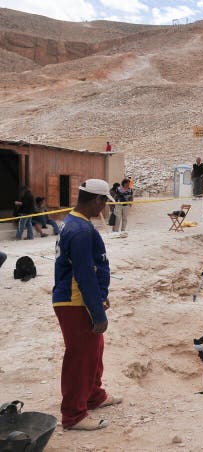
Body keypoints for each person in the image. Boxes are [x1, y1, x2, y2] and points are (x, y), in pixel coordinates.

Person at [53, 179, 121, 431]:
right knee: (80, 356)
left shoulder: (76, 223)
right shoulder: (80, 230)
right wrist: (97, 310)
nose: (103, 209)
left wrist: (99, 297)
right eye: (104, 203)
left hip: (81, 299)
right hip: (75, 301)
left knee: (94, 349)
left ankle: (93, 394)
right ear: (97, 200)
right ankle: (73, 414)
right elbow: (84, 273)